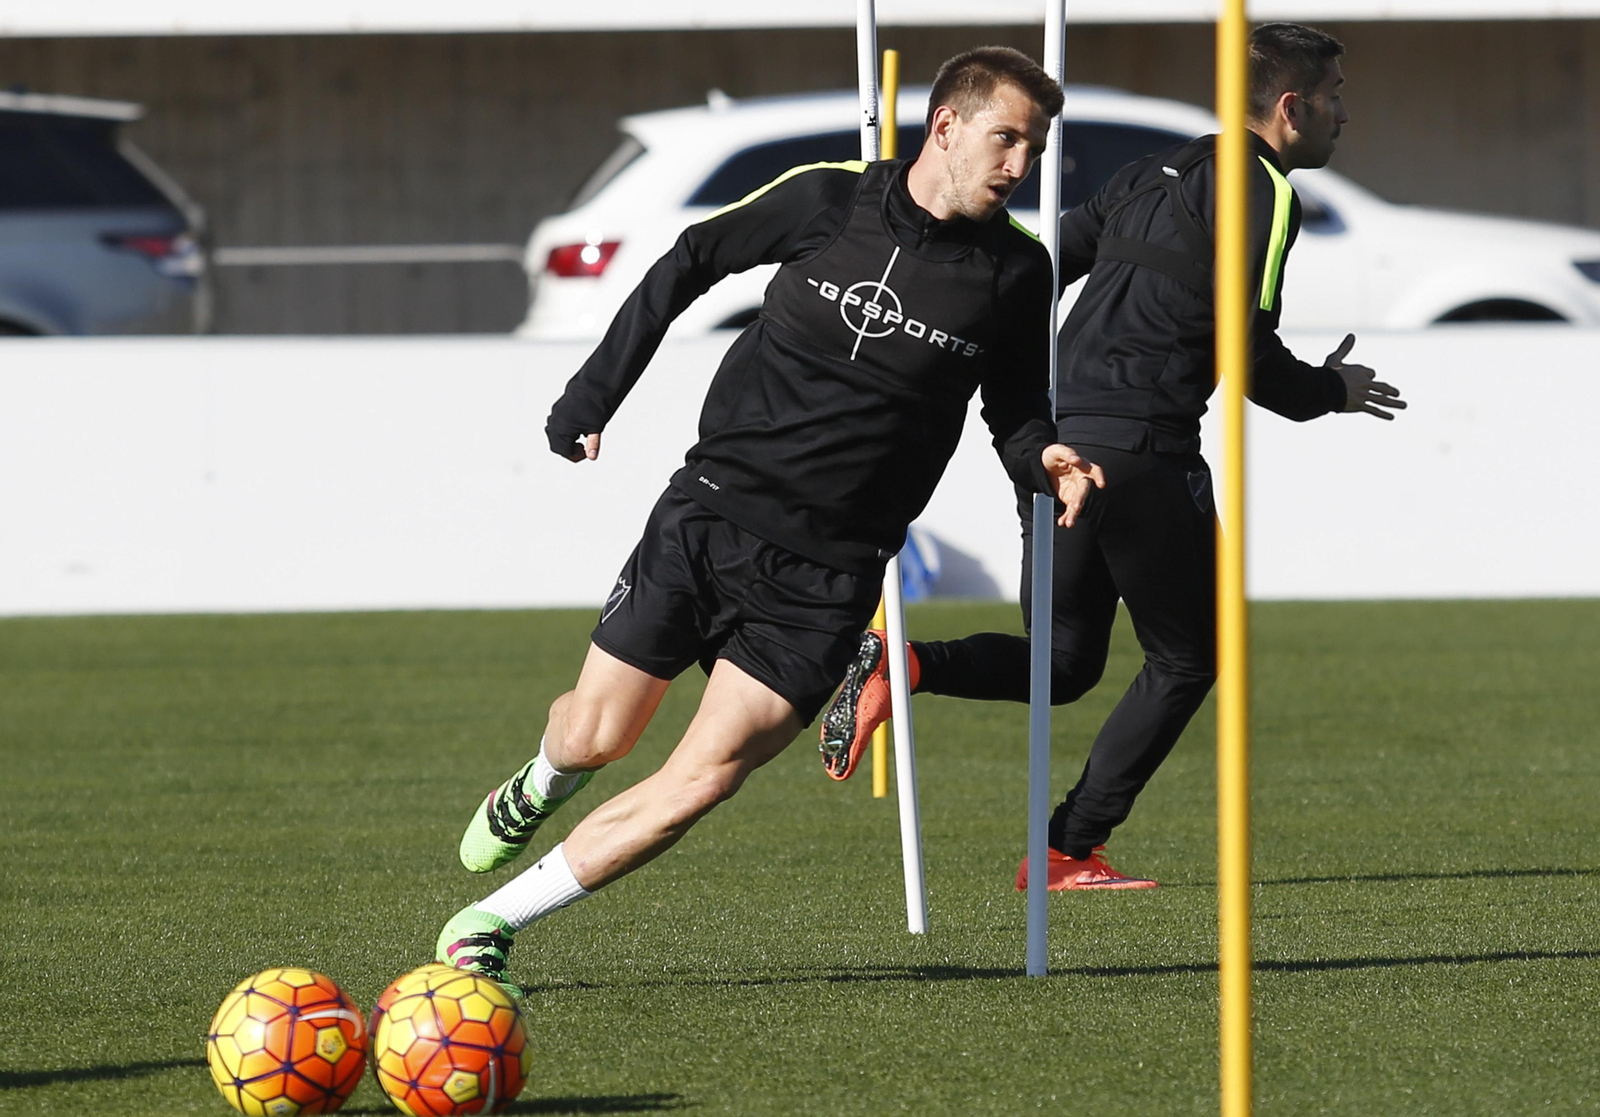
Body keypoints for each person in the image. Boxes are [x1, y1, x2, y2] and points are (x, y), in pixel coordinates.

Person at [434, 47, 1108, 992]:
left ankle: (489, 924)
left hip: (830, 576)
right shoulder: (831, 198)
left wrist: (1046, 458)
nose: (1019, 165)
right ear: (946, 126)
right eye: (1006, 139)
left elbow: (1016, 413)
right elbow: (691, 260)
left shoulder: (1018, 272)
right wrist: (595, 393)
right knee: (595, 736)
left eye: (1033, 149)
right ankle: (545, 776)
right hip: (711, 517)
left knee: (703, 779)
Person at [818, 23, 1405, 891]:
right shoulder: (1265, 191)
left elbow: (1042, 263)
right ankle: (1068, 846)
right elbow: (1249, 357)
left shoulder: (1151, 172)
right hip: (1142, 451)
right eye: (1335, 98)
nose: (1343, 116)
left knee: (1062, 664)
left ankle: (906, 664)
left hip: (1055, 447)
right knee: (1189, 658)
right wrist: (1333, 389)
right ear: (1292, 107)